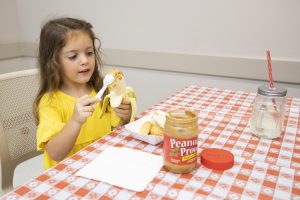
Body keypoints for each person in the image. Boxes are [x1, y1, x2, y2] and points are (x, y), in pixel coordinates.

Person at [33, 17, 134, 169]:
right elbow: (55, 153)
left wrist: (125, 118)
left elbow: (114, 134)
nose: (85, 60)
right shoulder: (50, 102)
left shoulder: (103, 90)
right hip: (67, 176)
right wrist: (75, 121)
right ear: (53, 62)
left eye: (89, 53)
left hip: (103, 167)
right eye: (73, 56)